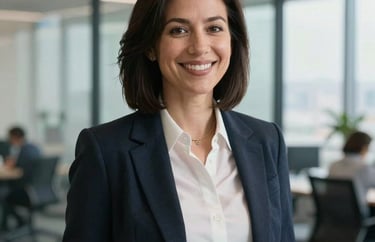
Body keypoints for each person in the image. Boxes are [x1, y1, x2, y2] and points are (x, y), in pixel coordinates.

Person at [63, 0, 295, 241]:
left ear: (232, 41)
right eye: (179, 30)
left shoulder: (267, 140)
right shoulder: (106, 151)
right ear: (151, 47)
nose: (199, 47)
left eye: (214, 28)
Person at [0, 126, 42, 232]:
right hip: (40, 191)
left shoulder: (23, 151)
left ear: (15, 137)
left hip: (28, 192)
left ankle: (7, 228)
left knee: (3, 196)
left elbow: (20, 171)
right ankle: (21, 222)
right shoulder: (34, 147)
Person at [329, 131, 375, 216]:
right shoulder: (363, 168)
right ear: (364, 148)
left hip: (335, 214)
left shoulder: (333, 165)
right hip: (358, 216)